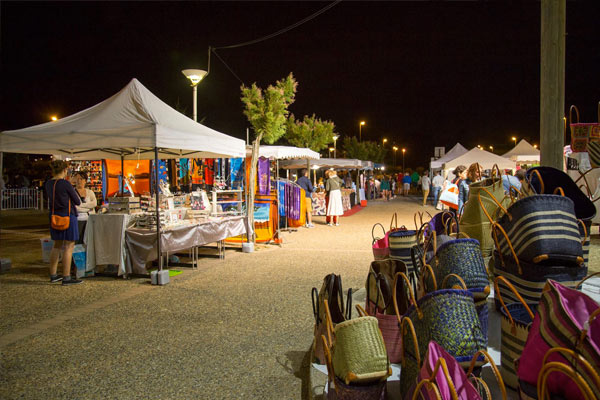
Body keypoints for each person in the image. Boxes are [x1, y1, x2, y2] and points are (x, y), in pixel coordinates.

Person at [44, 160, 83, 285]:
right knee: (69, 246)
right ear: (65, 170)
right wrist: (71, 186)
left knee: (56, 245)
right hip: (67, 216)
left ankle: (53, 274)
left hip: (54, 216)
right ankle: (66, 276)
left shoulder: (48, 184)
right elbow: (77, 201)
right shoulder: (65, 184)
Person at [73, 171, 98, 243]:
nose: (79, 181)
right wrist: (88, 208)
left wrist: (81, 205)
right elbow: (75, 208)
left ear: (85, 181)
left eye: (81, 179)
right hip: (78, 220)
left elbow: (94, 203)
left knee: (89, 241)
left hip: (89, 220)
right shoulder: (72, 192)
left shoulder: (90, 192)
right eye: (77, 179)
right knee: (78, 241)